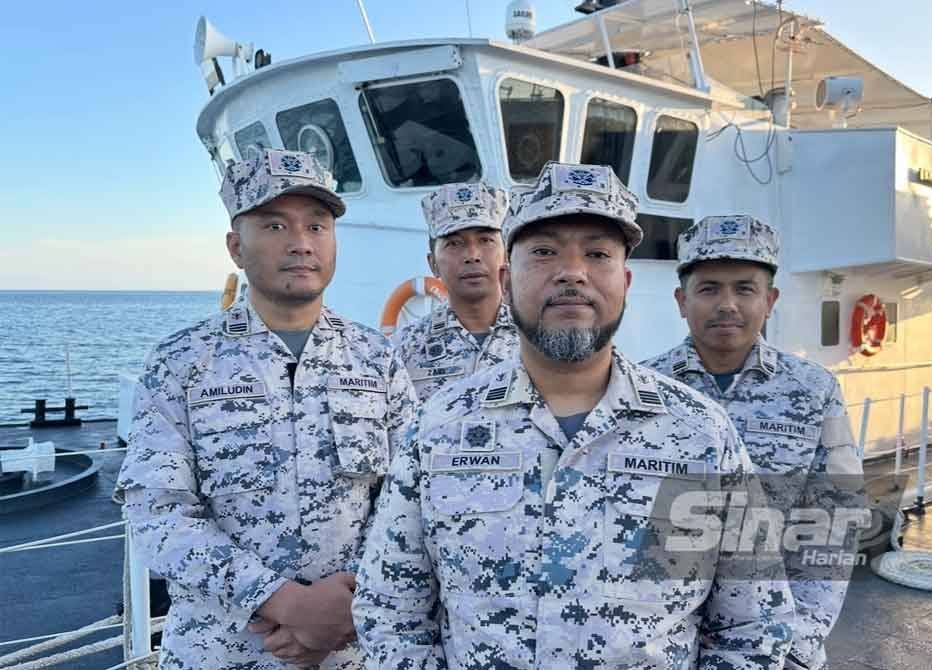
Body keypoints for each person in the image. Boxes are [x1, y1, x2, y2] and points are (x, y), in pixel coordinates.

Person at [353, 163, 795, 668]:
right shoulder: (436, 428)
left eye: (598, 253)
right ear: (507, 279)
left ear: (625, 281)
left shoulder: (702, 434)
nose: (572, 272)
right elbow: (390, 610)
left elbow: (753, 625)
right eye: (543, 252)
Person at [115, 149, 415, 669]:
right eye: (275, 225)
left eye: (317, 226)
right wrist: (285, 601)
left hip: (357, 648)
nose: (301, 243)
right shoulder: (182, 362)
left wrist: (346, 608)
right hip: (222, 651)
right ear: (236, 247)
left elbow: (412, 501)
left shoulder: (379, 360)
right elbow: (156, 514)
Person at [643, 215, 864, 670]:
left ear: (770, 300)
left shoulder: (814, 390)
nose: (727, 304)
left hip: (779, 642)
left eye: (744, 289)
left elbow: (835, 518)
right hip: (663, 641)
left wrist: (800, 643)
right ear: (682, 301)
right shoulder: (643, 388)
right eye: (708, 289)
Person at [393, 183, 519, 402]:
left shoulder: (539, 338)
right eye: (454, 243)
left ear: (506, 255)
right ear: (433, 264)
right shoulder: (403, 350)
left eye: (486, 240)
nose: (472, 255)